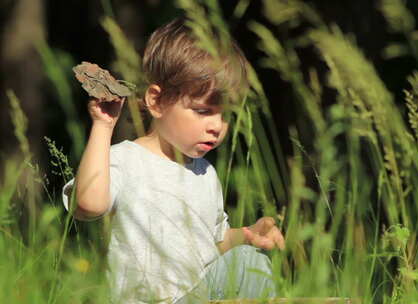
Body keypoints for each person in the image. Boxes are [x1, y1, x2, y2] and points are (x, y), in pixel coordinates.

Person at [62, 17, 285, 304]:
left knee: (249, 260)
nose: (217, 126)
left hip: (198, 295)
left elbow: (211, 247)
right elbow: (88, 205)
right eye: (203, 111)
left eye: (225, 114)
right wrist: (103, 128)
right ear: (156, 101)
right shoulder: (127, 159)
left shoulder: (206, 174)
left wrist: (246, 235)